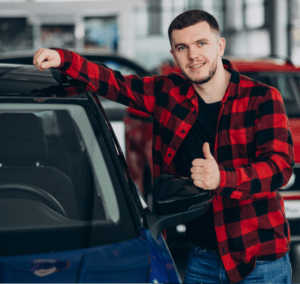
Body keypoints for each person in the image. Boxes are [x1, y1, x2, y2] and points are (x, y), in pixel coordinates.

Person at [33, 9, 294, 284]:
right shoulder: (169, 92)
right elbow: (116, 84)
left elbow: (280, 167)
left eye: (201, 44)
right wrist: (64, 59)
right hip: (202, 258)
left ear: (220, 46)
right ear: (174, 53)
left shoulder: (262, 98)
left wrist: (222, 178)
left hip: (257, 261)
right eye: (183, 47)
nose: (193, 55)